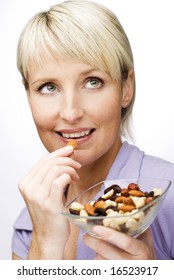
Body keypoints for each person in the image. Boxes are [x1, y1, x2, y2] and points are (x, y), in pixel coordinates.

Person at [12, 0, 174, 260]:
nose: (70, 112)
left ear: (126, 88)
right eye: (49, 87)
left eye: (93, 82)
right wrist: (43, 245)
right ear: (28, 94)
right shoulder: (31, 218)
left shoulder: (169, 198)